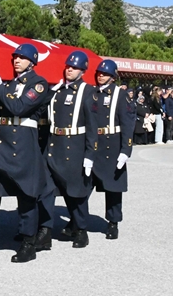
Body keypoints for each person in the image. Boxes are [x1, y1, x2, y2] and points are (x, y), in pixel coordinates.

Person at [0, 43, 54, 262]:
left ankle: (27, 243)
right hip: (1, 145)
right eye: (15, 57)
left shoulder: (39, 84)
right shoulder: (9, 83)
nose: (16, 60)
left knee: (26, 195)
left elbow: (19, 108)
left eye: (21, 58)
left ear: (32, 62)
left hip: (23, 145)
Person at [45, 50, 98, 249]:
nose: (69, 70)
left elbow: (93, 127)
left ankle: (81, 230)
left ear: (82, 71)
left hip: (74, 145)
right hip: (55, 144)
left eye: (74, 68)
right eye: (68, 66)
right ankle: (44, 230)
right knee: (50, 190)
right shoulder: (57, 90)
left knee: (76, 192)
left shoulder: (88, 91)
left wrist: (89, 155)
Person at [88, 59, 135, 240]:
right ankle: (78, 219)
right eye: (99, 73)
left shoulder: (120, 95)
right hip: (93, 142)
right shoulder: (92, 93)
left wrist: (126, 149)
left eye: (105, 74)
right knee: (84, 184)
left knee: (113, 186)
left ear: (113, 77)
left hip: (112, 143)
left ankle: (113, 222)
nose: (101, 76)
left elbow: (128, 123)